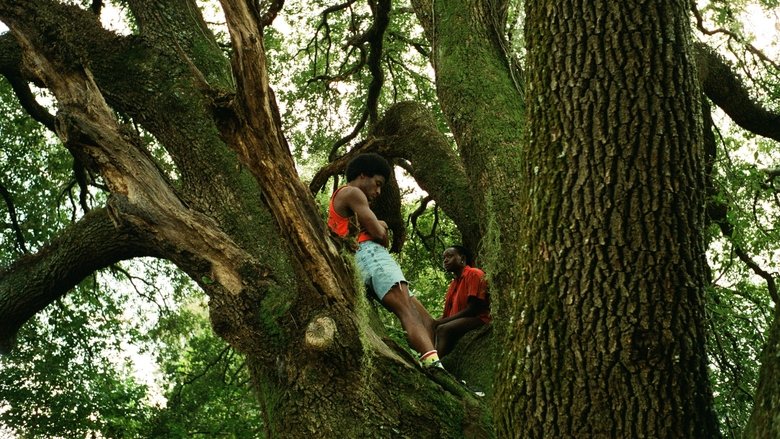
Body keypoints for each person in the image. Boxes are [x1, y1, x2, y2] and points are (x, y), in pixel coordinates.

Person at [327, 153, 441, 368]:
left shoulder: (340, 200)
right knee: (406, 311)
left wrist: (379, 226)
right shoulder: (352, 192)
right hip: (370, 255)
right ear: (362, 176)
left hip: (362, 259)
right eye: (377, 184)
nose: (378, 192)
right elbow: (380, 236)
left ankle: (439, 358)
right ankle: (434, 365)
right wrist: (381, 225)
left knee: (424, 317)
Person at [434, 245, 491, 357]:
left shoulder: (474, 273)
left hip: (479, 318)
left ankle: (435, 366)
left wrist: (441, 323)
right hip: (462, 319)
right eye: (443, 258)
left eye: (449, 256)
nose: (445, 260)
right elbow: (449, 313)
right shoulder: (453, 284)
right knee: (431, 328)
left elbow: (473, 309)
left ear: (462, 259)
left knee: (443, 329)